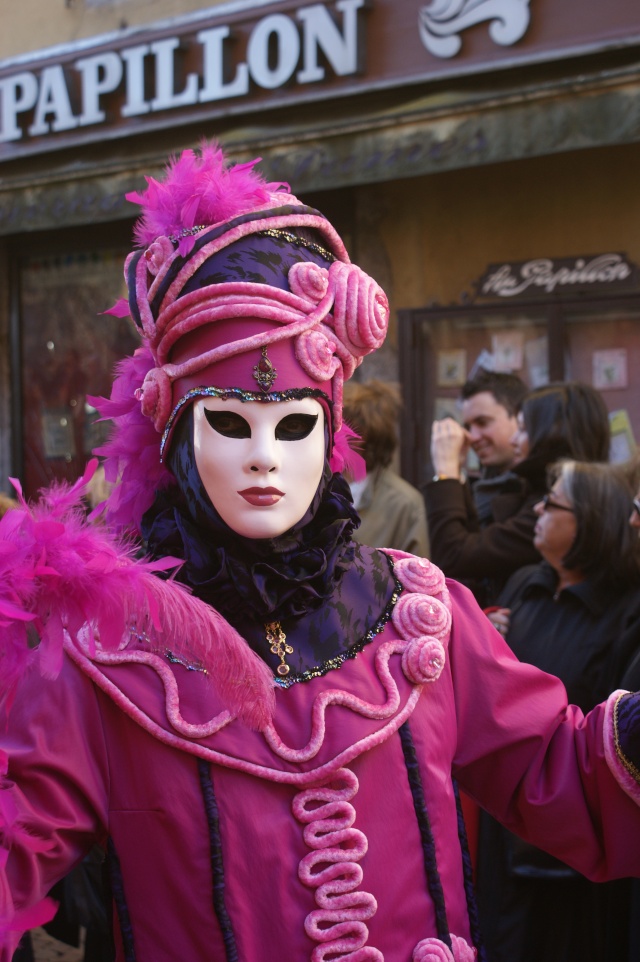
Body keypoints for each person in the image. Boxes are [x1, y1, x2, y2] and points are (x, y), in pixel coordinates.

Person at [2, 143, 640, 962]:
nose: (264, 456)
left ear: (331, 430)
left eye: (293, 423)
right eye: (229, 422)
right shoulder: (102, 657)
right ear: (174, 430)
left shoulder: (421, 618)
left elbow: (558, 769)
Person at [480, 459, 640, 962]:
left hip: (576, 836)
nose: (538, 509)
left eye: (553, 503)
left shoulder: (624, 611)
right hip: (506, 816)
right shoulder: (526, 583)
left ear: (591, 520)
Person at [424, 380, 611, 606]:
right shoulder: (535, 491)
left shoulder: (564, 508)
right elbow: (474, 559)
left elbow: (455, 555)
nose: (515, 439)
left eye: (522, 429)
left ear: (552, 434)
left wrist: (446, 471)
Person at [342, 379, 429, 556]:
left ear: (370, 436)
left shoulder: (405, 504)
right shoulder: (311, 486)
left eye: (346, 432)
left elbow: (417, 577)